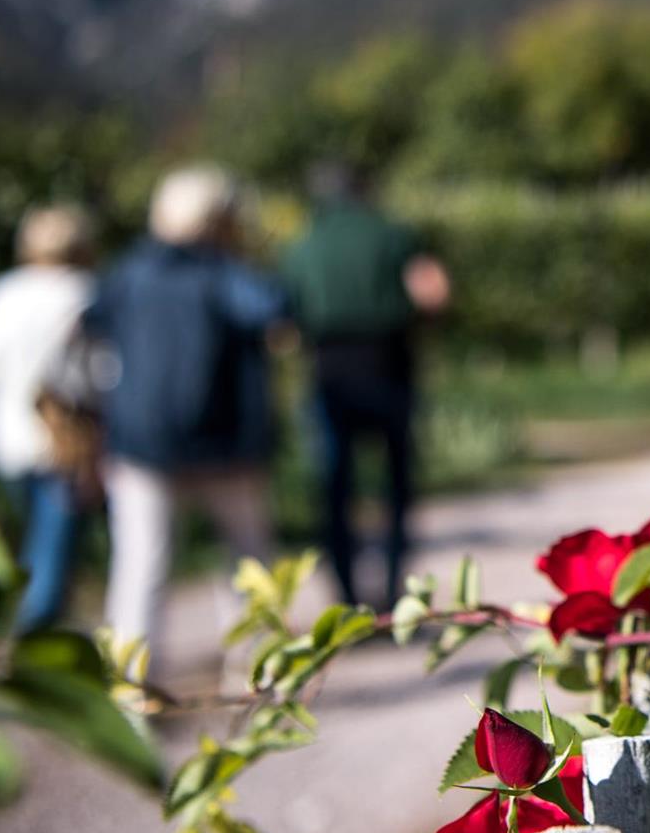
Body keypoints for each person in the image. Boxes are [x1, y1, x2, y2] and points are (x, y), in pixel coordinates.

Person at [86, 164, 287, 657]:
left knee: (140, 570)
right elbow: (273, 309)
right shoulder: (222, 273)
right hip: (225, 445)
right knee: (249, 567)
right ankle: (256, 680)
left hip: (141, 443)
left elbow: (91, 323)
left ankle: (132, 693)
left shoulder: (130, 271)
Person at [281, 163, 449, 608]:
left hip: (328, 369)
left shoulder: (302, 245)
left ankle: (348, 595)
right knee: (396, 483)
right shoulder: (393, 235)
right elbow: (433, 292)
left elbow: (283, 320)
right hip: (389, 364)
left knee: (336, 486)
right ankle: (394, 593)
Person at [0, 206, 99, 632]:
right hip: (63, 440)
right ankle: (18, 656)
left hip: (7, 438)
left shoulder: (2, 292)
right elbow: (99, 375)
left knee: (36, 549)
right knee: (50, 563)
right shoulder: (83, 290)